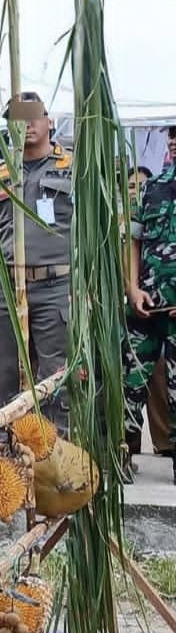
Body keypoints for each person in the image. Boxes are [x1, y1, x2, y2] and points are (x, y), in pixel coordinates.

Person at [0, 92, 73, 426]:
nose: (28, 124)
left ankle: (53, 456)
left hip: (56, 285)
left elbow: (91, 237)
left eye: (34, 115)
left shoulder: (72, 168)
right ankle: (7, 457)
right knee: (5, 377)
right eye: (18, 118)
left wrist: (83, 290)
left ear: (49, 121)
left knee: (55, 379)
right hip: (6, 285)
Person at [127, 128, 176, 482]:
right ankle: (123, 455)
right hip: (146, 305)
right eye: (171, 135)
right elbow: (135, 240)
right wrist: (131, 287)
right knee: (130, 382)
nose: (173, 140)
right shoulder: (152, 187)